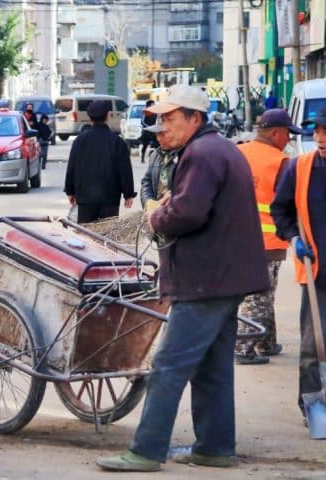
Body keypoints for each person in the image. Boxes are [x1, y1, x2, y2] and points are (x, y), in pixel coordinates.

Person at [97, 85, 270, 472]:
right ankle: (214, 448)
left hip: (206, 278)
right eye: (160, 120)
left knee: (167, 367)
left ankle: (146, 450)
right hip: (222, 276)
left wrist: (154, 216)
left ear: (196, 118)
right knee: (212, 367)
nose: (162, 128)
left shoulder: (203, 153)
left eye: (171, 119)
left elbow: (189, 213)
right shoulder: (215, 149)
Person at [234, 109, 305, 365]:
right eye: (288, 134)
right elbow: (290, 203)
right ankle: (244, 347)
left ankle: (266, 342)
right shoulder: (281, 161)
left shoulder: (238, 152)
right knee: (260, 295)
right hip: (267, 241)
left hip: (235, 238)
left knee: (261, 293)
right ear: (275, 133)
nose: (289, 139)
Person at [271, 107, 326, 425]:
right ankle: (313, 408)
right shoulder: (300, 168)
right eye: (317, 130)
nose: (320, 137)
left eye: (325, 131)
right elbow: (280, 210)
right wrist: (293, 239)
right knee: (312, 345)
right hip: (317, 270)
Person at [64, 100, 135, 223]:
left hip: (85, 198)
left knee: (86, 235)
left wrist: (70, 191)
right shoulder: (117, 142)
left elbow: (72, 167)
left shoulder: (80, 141)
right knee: (107, 237)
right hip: (110, 198)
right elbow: (124, 170)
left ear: (89, 117)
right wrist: (128, 194)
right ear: (107, 116)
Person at [140, 117, 177, 210]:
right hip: (156, 214)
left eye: (163, 134)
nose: (159, 138)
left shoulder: (184, 155)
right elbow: (146, 182)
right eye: (157, 134)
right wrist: (148, 202)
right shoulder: (155, 155)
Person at [140, 99, 158, 164]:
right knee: (145, 145)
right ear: (150, 104)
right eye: (153, 104)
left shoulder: (155, 112)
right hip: (147, 131)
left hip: (153, 130)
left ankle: (154, 158)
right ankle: (142, 158)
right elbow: (142, 122)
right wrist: (148, 127)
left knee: (156, 144)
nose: (154, 105)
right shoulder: (146, 112)